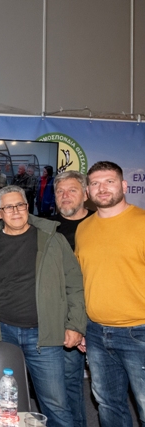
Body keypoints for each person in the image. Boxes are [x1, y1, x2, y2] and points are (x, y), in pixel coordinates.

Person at [0, 185, 86, 427]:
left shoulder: (53, 240)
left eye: (20, 205)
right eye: (8, 207)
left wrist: (75, 325)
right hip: (1, 334)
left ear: (27, 207)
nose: (16, 211)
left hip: (45, 334)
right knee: (5, 405)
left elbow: (74, 284)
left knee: (56, 404)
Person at [75, 161, 145, 427]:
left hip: (139, 332)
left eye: (109, 181)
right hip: (95, 332)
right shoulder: (84, 229)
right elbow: (81, 282)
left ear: (124, 186)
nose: (102, 188)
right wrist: (80, 325)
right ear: (88, 192)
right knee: (108, 405)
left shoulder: (142, 223)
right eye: (95, 183)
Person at [52, 170, 93, 427]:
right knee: (63, 384)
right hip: (61, 317)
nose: (65, 196)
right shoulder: (47, 227)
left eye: (72, 190)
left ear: (86, 194)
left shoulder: (98, 224)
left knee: (105, 390)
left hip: (97, 317)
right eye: (60, 191)